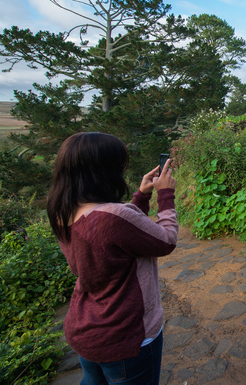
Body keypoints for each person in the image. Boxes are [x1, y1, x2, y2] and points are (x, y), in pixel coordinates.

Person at [46, 132, 178, 385]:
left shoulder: (62, 210)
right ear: (104, 171)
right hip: (126, 333)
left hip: (86, 328)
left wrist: (141, 195)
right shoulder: (113, 215)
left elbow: (118, 239)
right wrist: (165, 196)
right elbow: (165, 241)